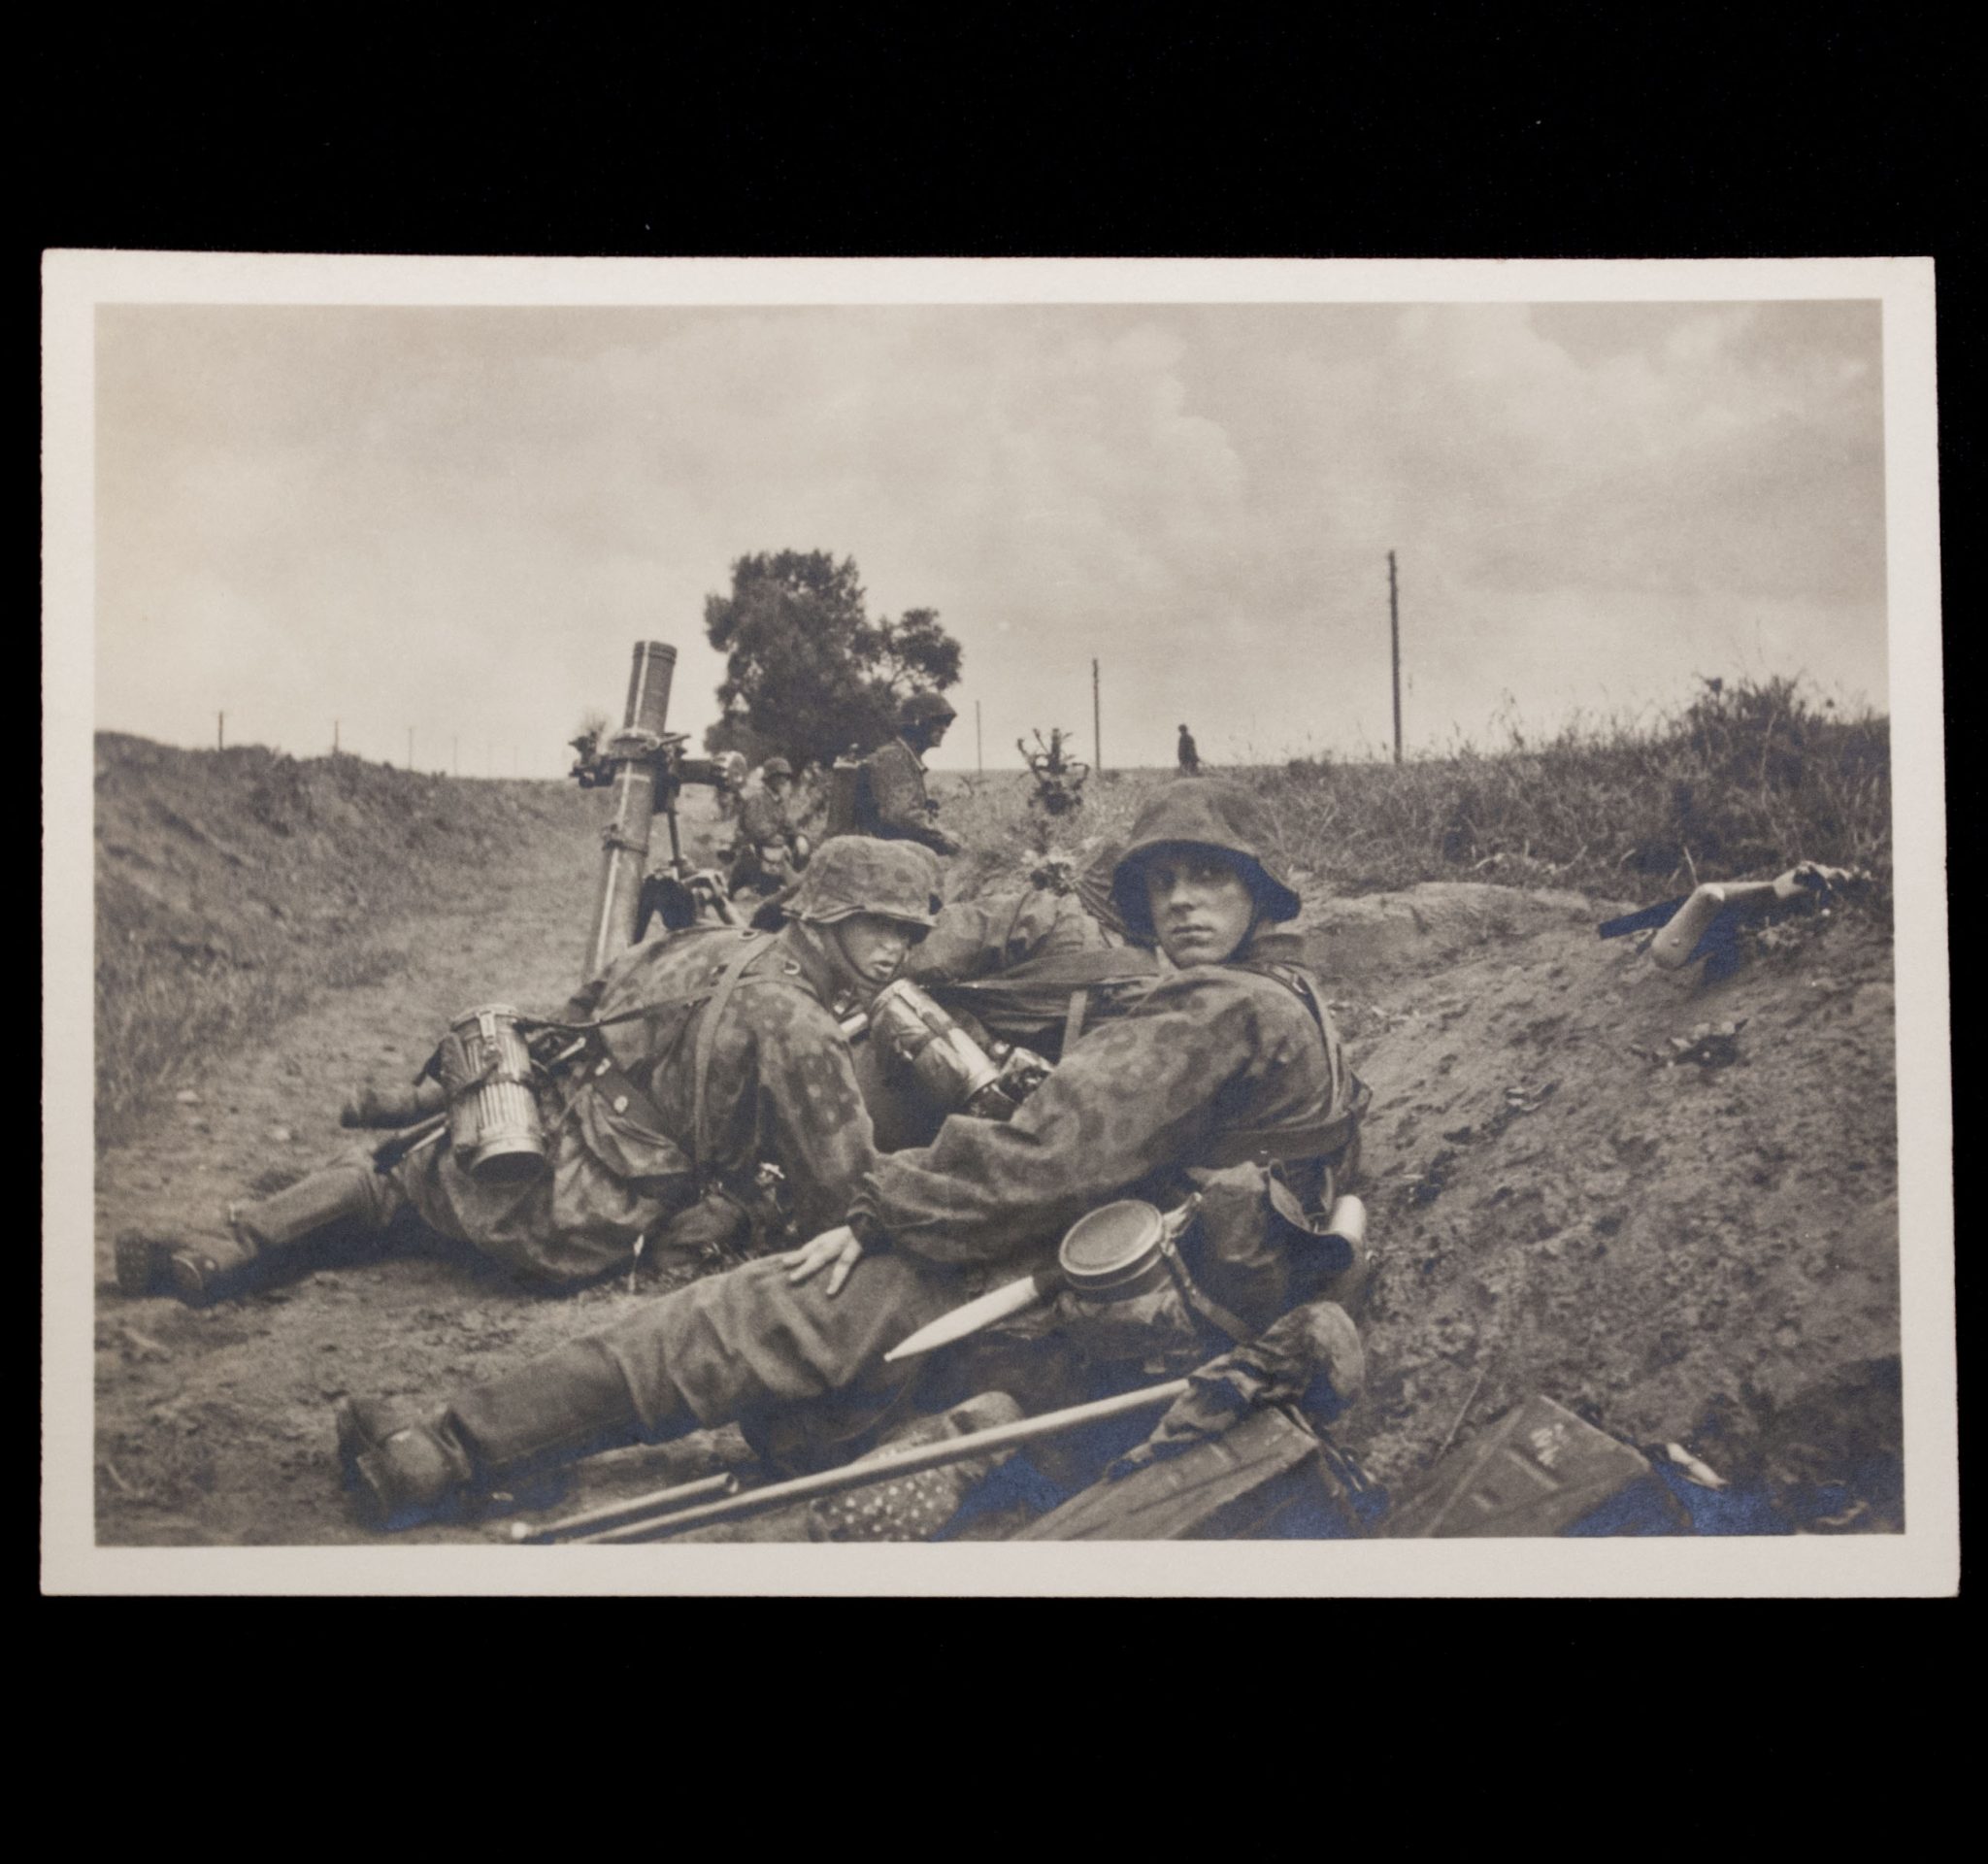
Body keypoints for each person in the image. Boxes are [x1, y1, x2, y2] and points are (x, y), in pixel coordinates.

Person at [336, 780, 1371, 1530]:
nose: (1182, 902)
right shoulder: (1298, 1002)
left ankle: (446, 1453)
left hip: (1115, 1313)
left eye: (1210, 879)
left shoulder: (1217, 1007)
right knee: (817, 1379)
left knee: (765, 1309)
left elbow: (1043, 1154)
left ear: (1258, 893)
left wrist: (878, 1213)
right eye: (1164, 882)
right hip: (1172, 1314)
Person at [116, 838, 943, 1303]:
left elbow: (576, 1011)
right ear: (825, 917)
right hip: (582, 1223)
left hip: (523, 1146)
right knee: (402, 1210)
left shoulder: (706, 941)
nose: (894, 949)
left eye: (907, 933)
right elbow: (846, 1193)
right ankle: (227, 1254)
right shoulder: (801, 1025)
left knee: (390, 1185)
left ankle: (223, 1252)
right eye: (877, 925)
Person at [854, 689, 963, 854]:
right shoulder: (893, 758)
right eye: (937, 721)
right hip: (872, 853)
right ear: (916, 722)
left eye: (946, 723)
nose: (944, 729)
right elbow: (903, 817)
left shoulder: (904, 757)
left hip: (882, 849)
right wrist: (945, 841)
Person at [727, 756, 812, 901]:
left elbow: (789, 824)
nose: (783, 780)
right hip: (753, 851)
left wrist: (799, 836)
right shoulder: (757, 799)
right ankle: (754, 887)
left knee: (802, 847)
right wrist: (780, 841)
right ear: (769, 778)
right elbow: (757, 829)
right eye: (778, 776)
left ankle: (787, 885)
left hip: (772, 849)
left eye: (785, 776)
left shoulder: (780, 801)